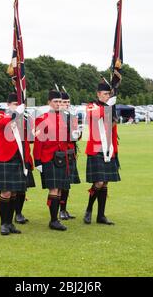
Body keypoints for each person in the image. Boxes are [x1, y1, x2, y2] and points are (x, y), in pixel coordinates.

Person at [0, 92, 35, 235]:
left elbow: (30, 138)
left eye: (19, 104)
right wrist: (16, 113)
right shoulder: (1, 114)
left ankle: (10, 223)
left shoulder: (25, 119)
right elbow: (1, 123)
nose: (17, 107)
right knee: (5, 192)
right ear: (8, 104)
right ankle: (4, 224)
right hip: (4, 158)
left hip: (19, 158)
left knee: (15, 192)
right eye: (15, 104)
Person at [83, 81, 121, 225]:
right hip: (95, 148)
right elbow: (95, 115)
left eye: (108, 94)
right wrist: (108, 106)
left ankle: (101, 215)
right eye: (105, 94)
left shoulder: (110, 108)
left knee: (105, 183)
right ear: (98, 94)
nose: (106, 96)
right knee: (98, 183)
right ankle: (89, 209)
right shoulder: (91, 106)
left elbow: (113, 129)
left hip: (108, 148)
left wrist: (114, 151)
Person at [34, 90, 70, 231]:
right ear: (49, 102)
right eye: (55, 101)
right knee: (54, 189)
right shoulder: (42, 118)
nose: (58, 104)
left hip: (61, 157)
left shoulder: (63, 117)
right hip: (48, 157)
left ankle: (55, 219)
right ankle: (53, 220)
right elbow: (38, 141)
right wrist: (37, 160)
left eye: (60, 102)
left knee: (60, 189)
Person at [59, 91, 81, 220]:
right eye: (64, 102)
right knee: (61, 184)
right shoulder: (56, 116)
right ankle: (60, 210)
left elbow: (75, 136)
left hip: (71, 152)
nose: (66, 104)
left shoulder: (72, 116)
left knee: (67, 184)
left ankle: (64, 209)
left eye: (68, 102)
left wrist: (78, 134)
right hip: (61, 153)